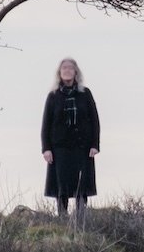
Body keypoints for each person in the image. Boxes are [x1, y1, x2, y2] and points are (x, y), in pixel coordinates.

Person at [40, 56, 100, 227]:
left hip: (82, 147)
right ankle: (62, 219)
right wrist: (46, 149)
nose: (67, 70)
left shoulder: (85, 93)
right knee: (62, 185)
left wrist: (95, 144)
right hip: (60, 148)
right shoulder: (53, 96)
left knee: (82, 185)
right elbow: (46, 124)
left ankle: (81, 219)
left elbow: (94, 120)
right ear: (59, 73)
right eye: (64, 68)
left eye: (70, 68)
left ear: (76, 72)